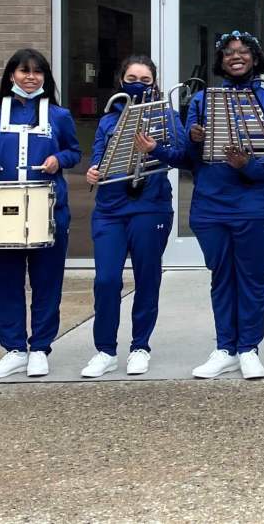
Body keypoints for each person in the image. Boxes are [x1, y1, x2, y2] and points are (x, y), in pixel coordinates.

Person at [184, 30, 264, 380]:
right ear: (220, 59)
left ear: (255, 58)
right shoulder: (201, 101)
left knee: (252, 279)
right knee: (221, 278)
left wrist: (247, 165)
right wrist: (194, 139)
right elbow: (187, 157)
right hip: (210, 207)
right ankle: (225, 349)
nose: (236, 56)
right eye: (229, 51)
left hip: (254, 207)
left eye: (244, 51)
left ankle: (248, 348)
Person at [0, 49, 81, 379]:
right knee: (6, 281)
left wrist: (59, 160)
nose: (30, 77)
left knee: (46, 281)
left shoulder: (59, 115)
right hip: (4, 210)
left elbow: (74, 152)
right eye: (24, 71)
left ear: (45, 78)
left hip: (49, 208)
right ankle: (13, 349)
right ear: (11, 75)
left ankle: (39, 348)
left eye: (37, 72)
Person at [81, 55, 185, 378]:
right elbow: (98, 156)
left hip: (150, 207)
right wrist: (93, 172)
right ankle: (105, 350)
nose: (137, 83)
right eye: (131, 77)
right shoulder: (107, 119)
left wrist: (154, 149)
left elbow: (181, 155)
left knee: (147, 278)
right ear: (121, 79)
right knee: (106, 280)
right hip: (110, 210)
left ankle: (140, 346)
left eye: (144, 79)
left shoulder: (165, 115)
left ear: (154, 83)